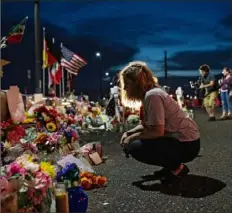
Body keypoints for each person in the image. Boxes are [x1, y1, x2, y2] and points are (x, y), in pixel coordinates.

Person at [120, 61, 200, 185]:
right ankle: (170, 165)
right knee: (138, 141)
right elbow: (146, 125)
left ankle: (177, 168)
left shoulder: (153, 96)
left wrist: (132, 138)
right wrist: (129, 132)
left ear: (138, 82)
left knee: (136, 147)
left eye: (127, 84)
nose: (125, 88)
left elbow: (157, 131)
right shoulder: (149, 94)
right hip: (184, 140)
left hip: (187, 143)